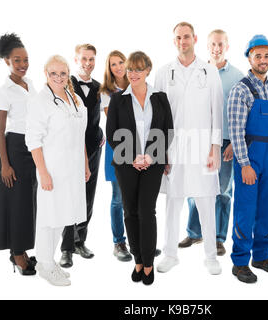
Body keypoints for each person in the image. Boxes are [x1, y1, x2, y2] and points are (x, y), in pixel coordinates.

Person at [155, 22, 223, 275]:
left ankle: (210, 256)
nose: (182, 41)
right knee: (173, 202)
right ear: (173, 41)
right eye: (178, 38)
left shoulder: (209, 71)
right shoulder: (164, 72)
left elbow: (217, 109)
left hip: (203, 145)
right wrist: (160, 150)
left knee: (206, 201)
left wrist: (215, 147)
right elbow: (157, 114)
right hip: (173, 147)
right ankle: (170, 254)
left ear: (194, 38)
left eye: (186, 37)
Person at [106, 51, 173, 285]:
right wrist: (133, 156)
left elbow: (168, 131)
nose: (133, 73)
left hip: (153, 164)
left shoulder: (160, 97)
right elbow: (112, 134)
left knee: (147, 211)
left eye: (138, 69)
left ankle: (148, 263)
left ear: (147, 70)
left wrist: (152, 157)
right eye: (130, 69)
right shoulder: (118, 99)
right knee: (130, 211)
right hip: (126, 164)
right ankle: (137, 260)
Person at [228, 35, 268, 284]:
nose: (263, 60)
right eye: (258, 56)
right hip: (250, 153)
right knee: (245, 209)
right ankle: (240, 261)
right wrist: (244, 164)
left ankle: (262, 256)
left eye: (266, 56)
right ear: (249, 58)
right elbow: (235, 130)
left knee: (267, 208)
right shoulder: (241, 89)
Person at [26, 55, 91, 286]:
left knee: (63, 215)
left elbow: (80, 134)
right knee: (49, 217)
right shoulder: (40, 101)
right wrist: (42, 172)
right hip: (52, 168)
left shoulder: (74, 98)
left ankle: (49, 261)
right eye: (53, 73)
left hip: (72, 169)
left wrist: (85, 164)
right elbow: (33, 140)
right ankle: (44, 264)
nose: (59, 77)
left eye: (63, 73)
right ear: (46, 74)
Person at [179, 29, 244, 256]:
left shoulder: (237, 76)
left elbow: (243, 113)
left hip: (226, 140)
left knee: (224, 191)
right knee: (194, 187)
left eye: (221, 44)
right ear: (207, 46)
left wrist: (235, 143)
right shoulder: (198, 72)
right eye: (213, 44)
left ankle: (217, 237)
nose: (217, 49)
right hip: (199, 139)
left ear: (227, 46)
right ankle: (195, 233)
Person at [0, 33, 37, 276]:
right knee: (17, 203)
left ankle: (23, 249)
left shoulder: (30, 84)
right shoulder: (4, 91)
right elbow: (0, 129)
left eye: (26, 59)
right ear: (6, 62)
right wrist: (5, 164)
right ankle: (17, 254)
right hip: (14, 147)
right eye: (17, 60)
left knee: (29, 202)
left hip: (32, 146)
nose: (22, 64)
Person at [59, 44, 104, 268]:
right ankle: (66, 247)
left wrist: (102, 133)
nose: (88, 63)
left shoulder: (98, 86)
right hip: (71, 147)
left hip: (94, 147)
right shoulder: (66, 83)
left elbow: (97, 117)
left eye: (92, 59)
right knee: (69, 196)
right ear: (76, 60)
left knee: (88, 195)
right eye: (84, 59)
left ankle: (80, 241)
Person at [99, 50, 132, 262]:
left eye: (121, 62)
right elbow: (114, 123)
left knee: (136, 199)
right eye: (113, 64)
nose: (118, 67)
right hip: (118, 147)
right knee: (119, 198)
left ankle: (138, 241)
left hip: (138, 148)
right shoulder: (106, 92)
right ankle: (118, 242)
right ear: (109, 69)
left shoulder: (137, 84)